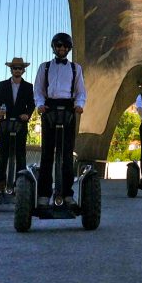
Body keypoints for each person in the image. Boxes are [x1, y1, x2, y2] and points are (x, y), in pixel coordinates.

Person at [33, 32, 87, 207]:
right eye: (58, 46)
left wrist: (79, 105)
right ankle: (43, 194)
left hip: (69, 110)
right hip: (49, 108)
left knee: (66, 153)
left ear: (69, 48)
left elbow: (81, 91)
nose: (61, 49)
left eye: (64, 46)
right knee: (47, 154)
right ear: (54, 47)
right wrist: (40, 105)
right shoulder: (45, 67)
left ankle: (67, 194)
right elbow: (39, 90)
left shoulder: (75, 68)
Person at [0, 57, 35, 197]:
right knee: (3, 155)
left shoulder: (28, 87)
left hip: (20, 125)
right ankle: (0, 185)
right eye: (15, 68)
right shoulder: (2, 85)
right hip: (5, 124)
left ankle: (20, 185)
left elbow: (32, 104)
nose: (17, 70)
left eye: (19, 68)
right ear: (11, 70)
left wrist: (27, 115)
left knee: (20, 155)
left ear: (23, 70)